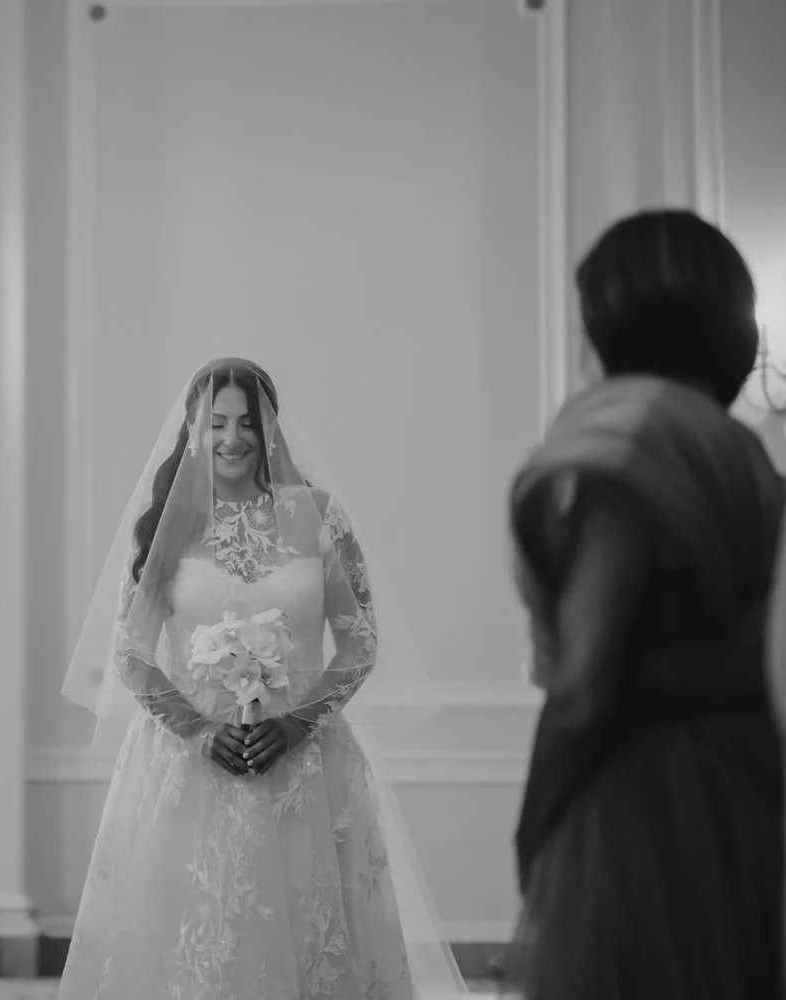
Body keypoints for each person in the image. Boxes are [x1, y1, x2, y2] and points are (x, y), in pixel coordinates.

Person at [58, 358, 464, 998]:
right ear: (193, 430)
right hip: (187, 764)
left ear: (271, 427)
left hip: (303, 763)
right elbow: (131, 652)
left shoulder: (320, 518)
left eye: (248, 421)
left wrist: (298, 723)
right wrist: (196, 729)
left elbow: (359, 641)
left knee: (308, 933)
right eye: (216, 422)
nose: (232, 437)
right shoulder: (165, 526)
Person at [508, 209, 784, 999]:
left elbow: (586, 683)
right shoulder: (751, 458)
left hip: (641, 808)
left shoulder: (632, 446)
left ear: (612, 319)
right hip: (748, 794)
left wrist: (536, 824)